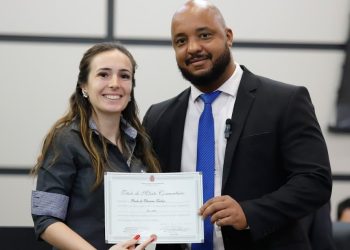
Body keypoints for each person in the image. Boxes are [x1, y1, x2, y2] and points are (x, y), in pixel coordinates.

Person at [142, 1, 332, 249]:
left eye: (204, 35)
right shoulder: (159, 117)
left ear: (228, 36)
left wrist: (249, 213)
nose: (193, 48)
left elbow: (314, 181)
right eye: (180, 41)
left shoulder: (284, 101)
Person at [31, 42, 159, 250]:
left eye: (124, 76)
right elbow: (45, 219)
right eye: (103, 75)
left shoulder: (141, 142)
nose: (115, 83)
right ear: (84, 86)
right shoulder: (64, 139)